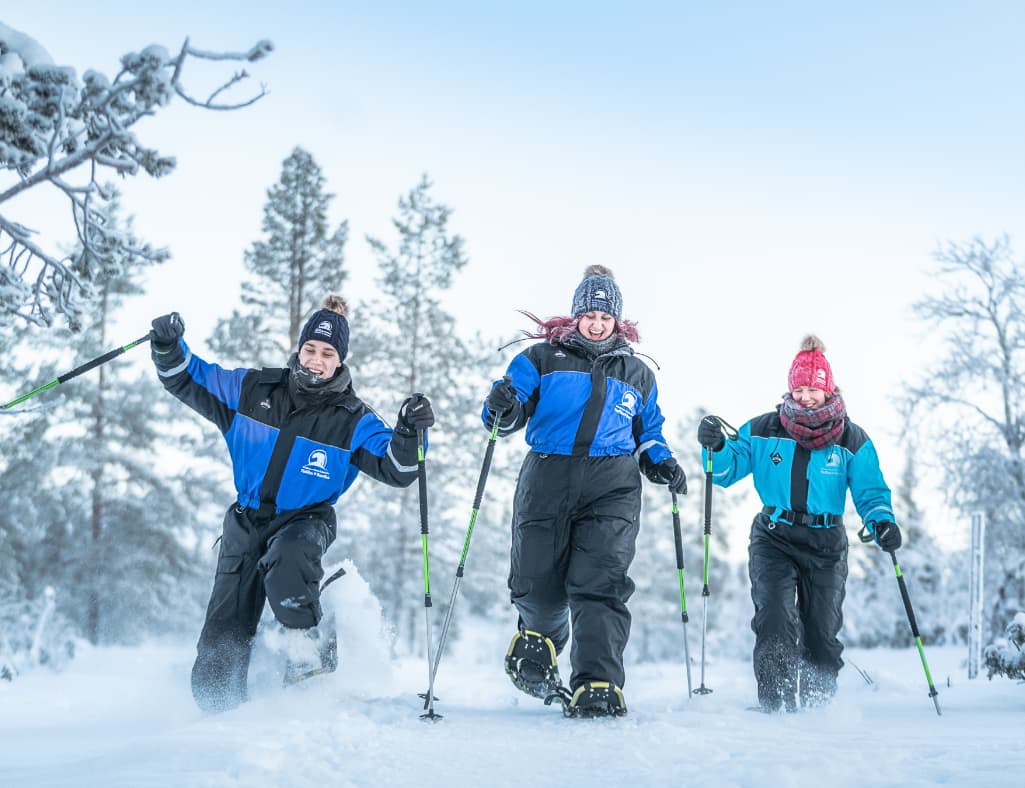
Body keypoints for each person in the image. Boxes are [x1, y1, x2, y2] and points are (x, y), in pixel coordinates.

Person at [149, 294, 435, 712]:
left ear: (340, 361)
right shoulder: (252, 390)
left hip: (305, 522)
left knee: (288, 562)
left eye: (327, 353)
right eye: (310, 349)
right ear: (299, 349)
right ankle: (220, 722)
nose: (316, 360)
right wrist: (168, 345)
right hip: (245, 524)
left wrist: (409, 431)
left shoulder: (352, 419)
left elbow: (399, 469)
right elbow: (186, 377)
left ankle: (310, 671)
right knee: (216, 658)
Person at [483, 265, 687, 718]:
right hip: (547, 475)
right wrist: (502, 405)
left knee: (601, 585)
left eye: (605, 316)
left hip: (612, 486)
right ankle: (542, 640)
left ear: (618, 321)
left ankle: (597, 681)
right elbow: (509, 408)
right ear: (576, 316)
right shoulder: (540, 358)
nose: (597, 323)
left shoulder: (638, 374)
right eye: (589, 314)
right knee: (537, 584)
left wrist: (661, 461)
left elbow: (648, 431)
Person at [697, 335, 901, 712]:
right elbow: (725, 472)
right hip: (774, 536)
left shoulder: (851, 439)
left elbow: (871, 492)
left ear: (828, 390)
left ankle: (817, 708)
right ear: (791, 389)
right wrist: (717, 447)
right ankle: (775, 705)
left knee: (822, 632)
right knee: (774, 617)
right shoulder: (764, 429)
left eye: (814, 389)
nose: (806, 396)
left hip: (826, 543)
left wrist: (881, 521)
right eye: (800, 388)